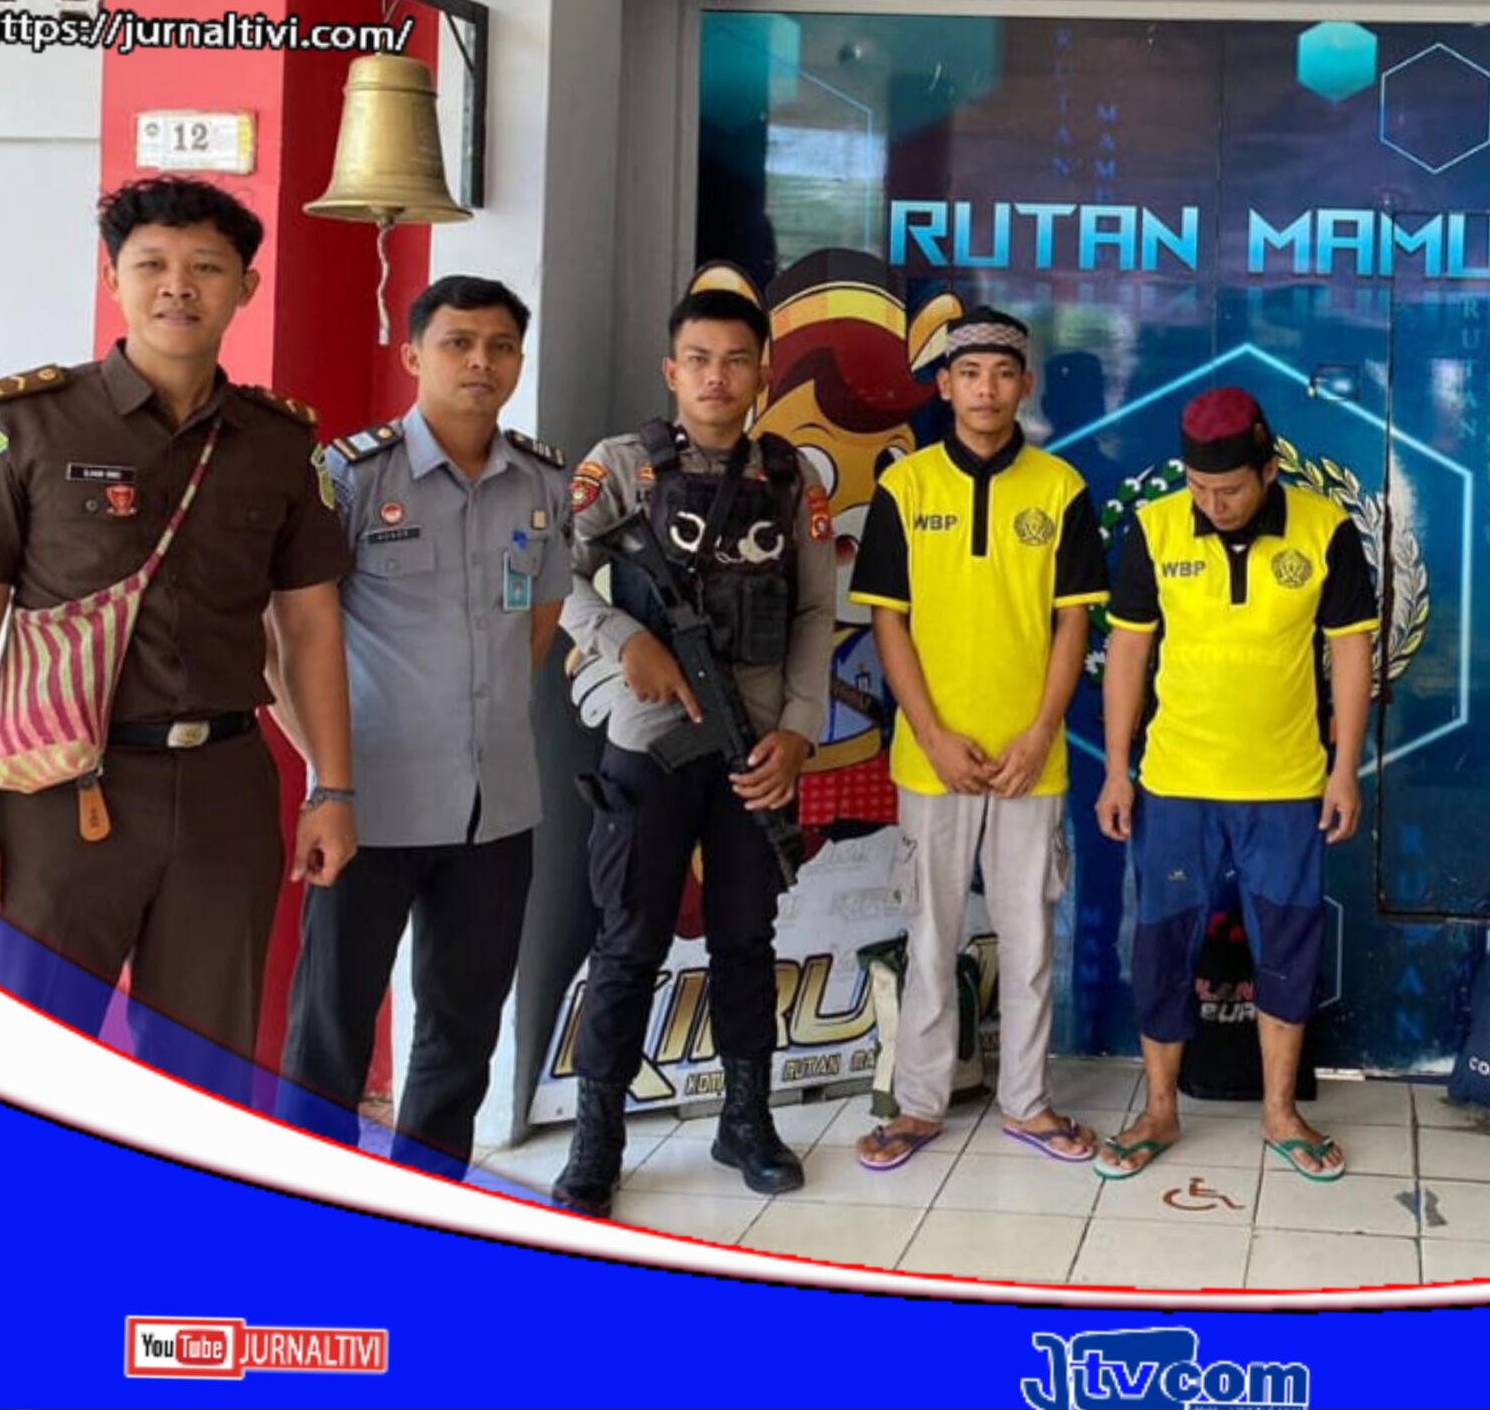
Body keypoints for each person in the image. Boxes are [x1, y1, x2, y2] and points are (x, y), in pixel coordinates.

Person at [0, 176, 354, 1102]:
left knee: (207, 1072)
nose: (178, 286)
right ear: (113, 278)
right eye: (152, 264)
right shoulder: (22, 422)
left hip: (225, 789)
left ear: (246, 287)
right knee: (20, 1060)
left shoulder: (279, 442)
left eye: (206, 267)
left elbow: (309, 626)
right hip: (55, 796)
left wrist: (332, 787)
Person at [272, 276, 571, 1175]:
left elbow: (537, 624)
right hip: (370, 806)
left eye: (500, 346)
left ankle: (425, 1199)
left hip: (496, 810)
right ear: (412, 355)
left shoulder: (542, 480)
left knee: (462, 1032)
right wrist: (327, 773)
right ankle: (305, 1200)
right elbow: (282, 640)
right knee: (330, 1028)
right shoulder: (351, 476)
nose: (481, 362)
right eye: (457, 343)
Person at [550, 287, 834, 1213]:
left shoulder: (791, 475)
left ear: (762, 374)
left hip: (756, 742)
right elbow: (551, 567)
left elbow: (814, 609)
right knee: (629, 940)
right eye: (700, 360)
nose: (718, 378)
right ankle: (598, 1134)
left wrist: (799, 728)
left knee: (747, 935)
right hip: (651, 737)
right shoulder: (620, 466)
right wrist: (621, 638)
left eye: (737, 360)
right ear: (673, 371)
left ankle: (746, 1118)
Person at [1092, 387, 1377, 1182]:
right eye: (1198, 488)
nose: (1212, 504)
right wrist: (1116, 769)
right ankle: (1158, 1109)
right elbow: (1127, 651)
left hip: (1286, 784)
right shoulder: (1154, 528)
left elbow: (1351, 650)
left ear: (1268, 470)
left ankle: (1281, 1112)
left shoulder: (1325, 527)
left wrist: (1344, 768)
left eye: (1228, 490)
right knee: (1162, 944)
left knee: (1287, 944)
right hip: (1175, 781)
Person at [846, 307, 1108, 1170]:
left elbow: (1073, 624)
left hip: (1032, 760)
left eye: (1002, 373)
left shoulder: (1061, 489)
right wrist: (931, 733)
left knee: (1030, 940)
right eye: (969, 374)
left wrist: (1039, 732)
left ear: (1025, 385)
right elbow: (889, 622)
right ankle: (919, 1103)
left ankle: (1028, 1103)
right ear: (945, 385)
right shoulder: (907, 486)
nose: (986, 389)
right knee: (931, 935)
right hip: (934, 759)